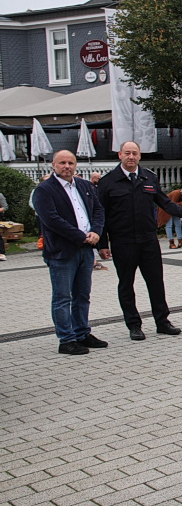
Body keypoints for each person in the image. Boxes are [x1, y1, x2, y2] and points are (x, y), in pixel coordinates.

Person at [96, 140, 182, 340]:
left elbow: (165, 202)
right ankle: (134, 325)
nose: (131, 157)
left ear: (140, 156)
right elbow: (101, 214)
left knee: (156, 282)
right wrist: (102, 244)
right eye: (127, 153)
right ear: (120, 155)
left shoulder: (149, 178)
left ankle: (162, 322)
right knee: (126, 284)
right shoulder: (108, 182)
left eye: (134, 153)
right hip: (123, 241)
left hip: (148, 240)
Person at [32, 150, 107, 355]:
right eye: (62, 162)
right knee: (63, 298)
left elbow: (98, 210)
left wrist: (96, 232)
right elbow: (51, 219)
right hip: (62, 252)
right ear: (53, 165)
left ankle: (82, 333)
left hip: (86, 249)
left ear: (75, 165)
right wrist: (79, 236)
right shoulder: (44, 190)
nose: (67, 166)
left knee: (82, 295)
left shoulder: (84, 186)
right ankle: (66, 339)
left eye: (71, 163)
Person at [161, 184, 182, 249]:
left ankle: (180, 241)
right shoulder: (176, 193)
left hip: (175, 209)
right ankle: (171, 242)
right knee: (169, 225)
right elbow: (172, 204)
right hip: (167, 209)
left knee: (178, 224)